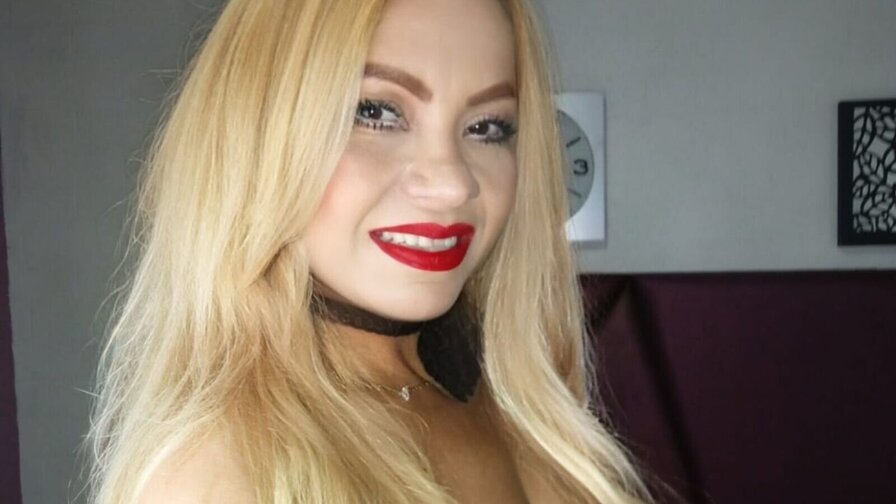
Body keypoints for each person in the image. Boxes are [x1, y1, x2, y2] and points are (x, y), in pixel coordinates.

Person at [86, 0, 654, 502]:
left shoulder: (526, 414)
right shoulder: (219, 473)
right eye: (376, 112)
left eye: (486, 127)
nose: (452, 183)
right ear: (262, 133)